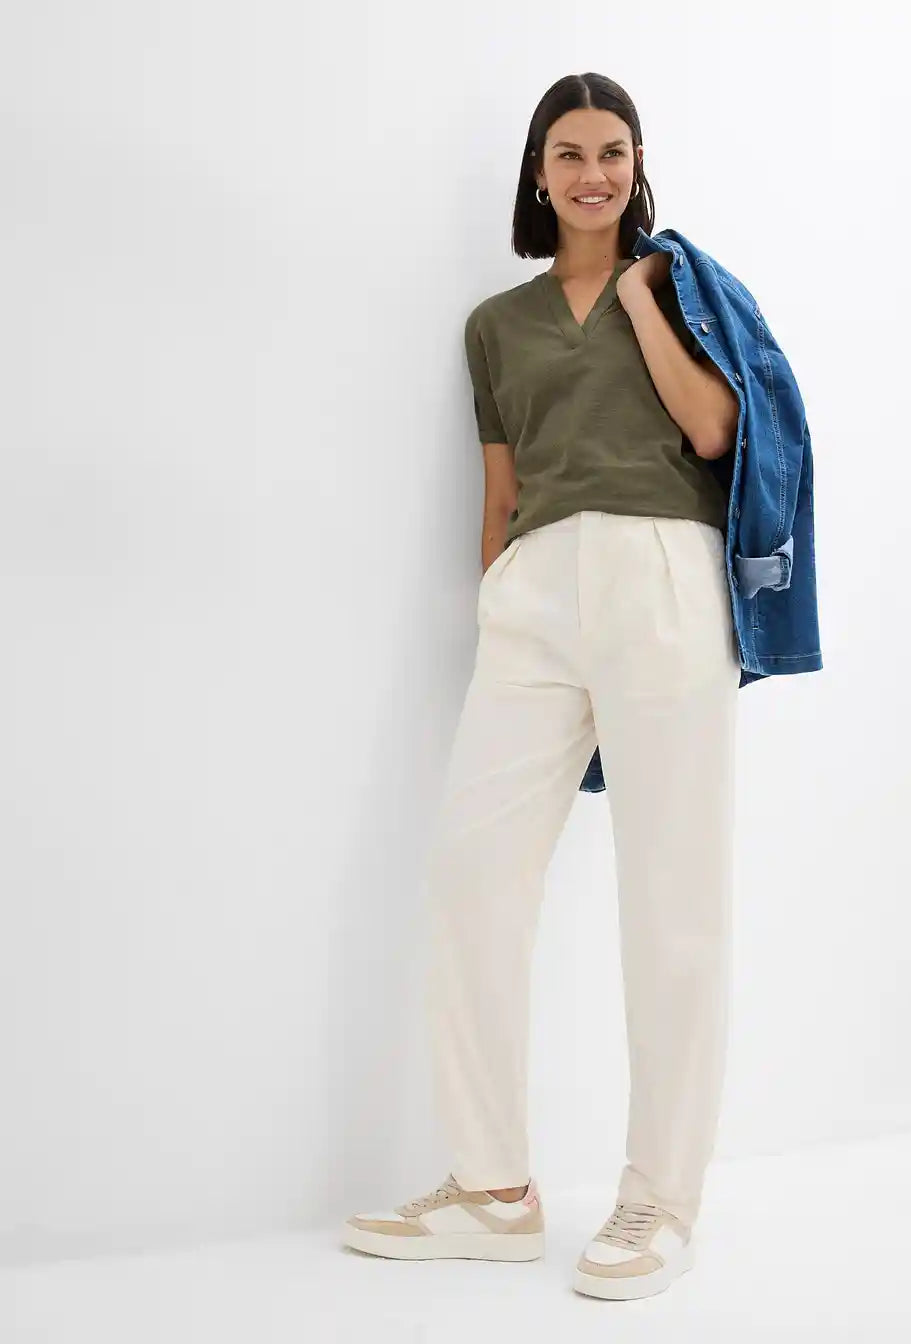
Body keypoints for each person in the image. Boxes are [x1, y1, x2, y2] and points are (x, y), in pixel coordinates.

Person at [342, 71, 742, 1302]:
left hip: (661, 574)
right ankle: (493, 1188)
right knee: (472, 874)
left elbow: (714, 431)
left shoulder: (676, 287)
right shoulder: (496, 325)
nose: (591, 173)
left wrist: (643, 297)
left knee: (672, 899)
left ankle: (661, 1200)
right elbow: (501, 492)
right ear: (538, 172)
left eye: (612, 151)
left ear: (637, 163)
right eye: (568, 152)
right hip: (533, 596)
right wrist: (496, 606)